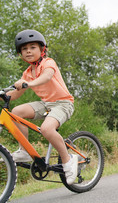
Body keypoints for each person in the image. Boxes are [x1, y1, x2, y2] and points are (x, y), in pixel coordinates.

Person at [5, 29, 78, 184]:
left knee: (46, 129)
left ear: (42, 49)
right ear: (20, 54)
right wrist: (4, 95)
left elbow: (47, 77)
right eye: (24, 49)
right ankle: (24, 151)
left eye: (32, 47)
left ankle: (68, 160)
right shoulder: (27, 73)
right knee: (16, 112)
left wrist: (28, 84)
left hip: (63, 103)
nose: (28, 51)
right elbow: (15, 94)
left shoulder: (48, 63)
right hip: (46, 104)